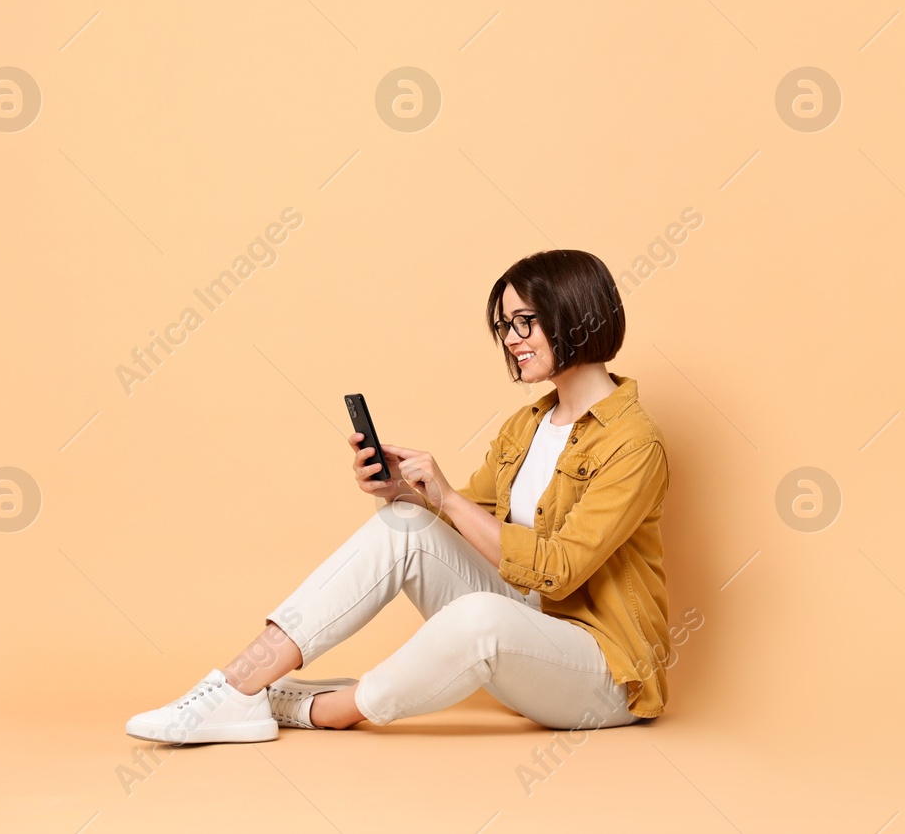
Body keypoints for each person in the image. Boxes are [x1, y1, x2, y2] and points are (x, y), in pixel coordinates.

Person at [125, 249, 672, 742]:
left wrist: (449, 498)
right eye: (505, 325)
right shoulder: (526, 426)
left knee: (481, 613)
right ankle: (235, 688)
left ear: (577, 313)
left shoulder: (634, 441)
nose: (511, 339)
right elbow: (464, 526)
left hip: (604, 677)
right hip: (525, 644)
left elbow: (560, 570)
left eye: (526, 321)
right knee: (403, 526)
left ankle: (325, 709)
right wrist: (407, 494)